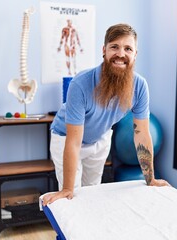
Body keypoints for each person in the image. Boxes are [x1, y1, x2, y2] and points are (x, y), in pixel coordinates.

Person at [43, 23, 170, 205]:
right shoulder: (81, 84)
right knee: (74, 197)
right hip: (66, 139)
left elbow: (141, 133)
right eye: (114, 47)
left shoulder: (140, 86)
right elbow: (74, 140)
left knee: (93, 191)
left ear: (135, 54)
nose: (121, 54)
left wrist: (151, 179)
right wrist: (67, 189)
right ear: (104, 50)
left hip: (100, 138)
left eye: (128, 48)